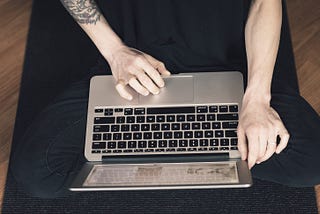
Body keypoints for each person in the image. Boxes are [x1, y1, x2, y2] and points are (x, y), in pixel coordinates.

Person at [11, 0, 320, 198]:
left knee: (312, 161)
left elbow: (265, 2)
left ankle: (170, 147)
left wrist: (256, 98)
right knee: (38, 173)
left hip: (225, 63)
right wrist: (114, 52)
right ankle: (196, 147)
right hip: (134, 68)